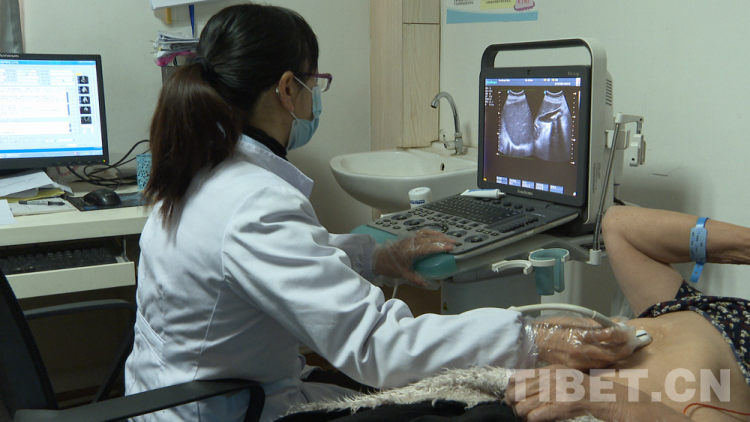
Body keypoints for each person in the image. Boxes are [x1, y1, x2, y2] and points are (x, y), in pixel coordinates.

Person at [123, 4, 637, 422]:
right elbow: (376, 346)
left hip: (175, 395)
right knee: (479, 408)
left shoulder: (196, 167)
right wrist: (531, 336)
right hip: (224, 409)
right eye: (314, 81)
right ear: (287, 89)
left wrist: (376, 256)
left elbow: (283, 259)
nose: (315, 96)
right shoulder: (253, 202)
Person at [505, 205, 750, 422]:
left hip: (566, 400)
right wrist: (539, 338)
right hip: (534, 379)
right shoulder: (704, 309)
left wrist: (614, 404)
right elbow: (620, 225)